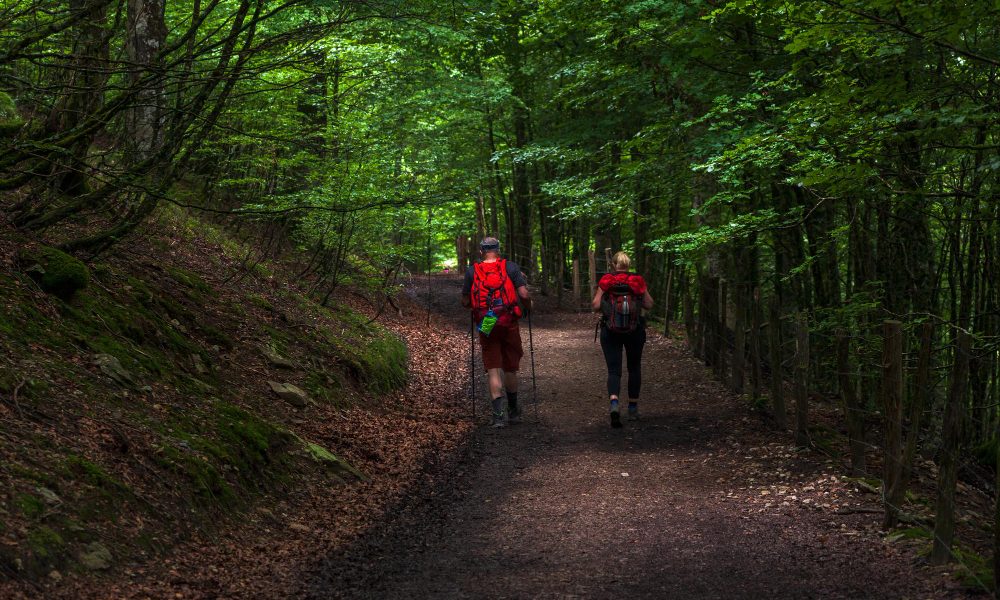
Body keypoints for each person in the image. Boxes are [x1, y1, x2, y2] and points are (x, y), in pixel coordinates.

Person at [462, 237, 532, 427]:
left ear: (481, 251)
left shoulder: (472, 271)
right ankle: (513, 412)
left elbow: (466, 301)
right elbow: (524, 294)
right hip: (508, 320)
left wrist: (475, 307)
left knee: (493, 368)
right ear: (498, 250)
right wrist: (528, 306)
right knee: (510, 367)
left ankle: (498, 416)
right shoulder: (510, 267)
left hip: (487, 323)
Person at [592, 251, 654, 428]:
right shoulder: (637, 280)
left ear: (613, 265)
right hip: (635, 330)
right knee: (634, 367)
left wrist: (606, 305)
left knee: (614, 370)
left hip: (611, 331)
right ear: (629, 265)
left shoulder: (607, 280)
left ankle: (614, 403)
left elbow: (596, 305)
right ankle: (633, 409)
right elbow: (649, 304)